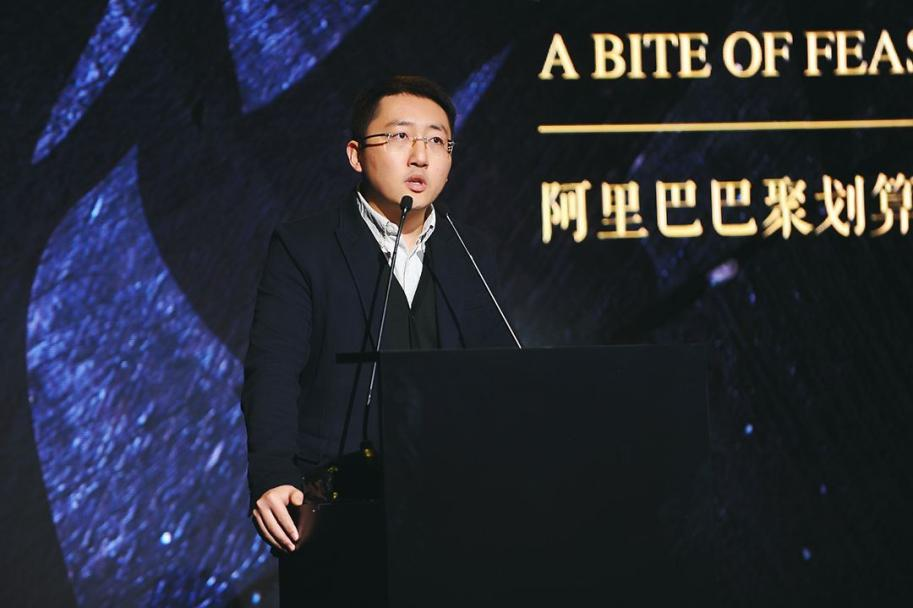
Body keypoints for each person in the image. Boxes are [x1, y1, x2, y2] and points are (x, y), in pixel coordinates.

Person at [240, 75, 514, 606]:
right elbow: (272, 370)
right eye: (400, 136)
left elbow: (499, 373)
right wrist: (272, 475)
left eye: (437, 140)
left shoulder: (472, 252)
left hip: (457, 509)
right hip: (339, 505)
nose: (420, 156)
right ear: (355, 155)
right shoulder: (305, 247)